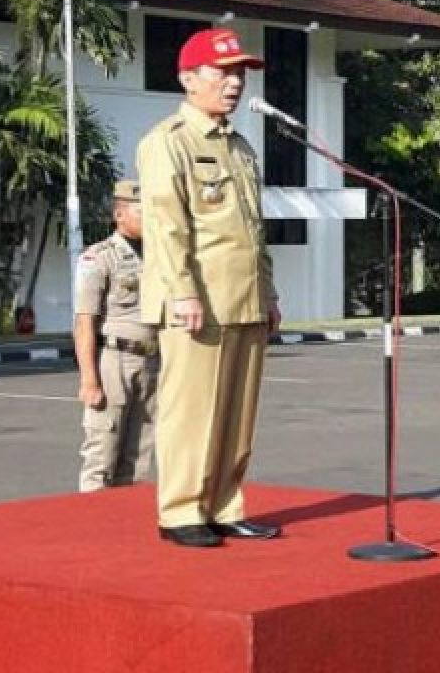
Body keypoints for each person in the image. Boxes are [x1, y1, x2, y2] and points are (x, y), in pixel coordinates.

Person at [137, 28, 282, 548]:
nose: (235, 84)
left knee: (237, 414)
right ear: (188, 78)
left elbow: (252, 230)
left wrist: (267, 293)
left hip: (242, 297)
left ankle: (224, 505)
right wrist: (182, 292)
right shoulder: (168, 142)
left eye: (239, 74)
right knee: (192, 409)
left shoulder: (239, 148)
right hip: (196, 299)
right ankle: (180, 511)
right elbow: (167, 226)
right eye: (223, 73)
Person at [73, 181, 159, 492]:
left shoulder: (159, 257)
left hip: (151, 363)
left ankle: (122, 529)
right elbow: (84, 322)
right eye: (142, 212)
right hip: (114, 362)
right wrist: (89, 380)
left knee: (137, 456)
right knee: (101, 454)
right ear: (119, 214)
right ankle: (89, 526)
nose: (150, 219)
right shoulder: (99, 258)